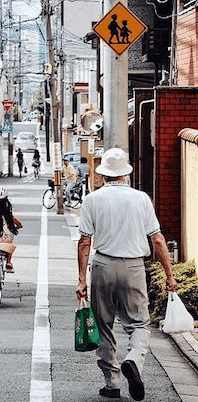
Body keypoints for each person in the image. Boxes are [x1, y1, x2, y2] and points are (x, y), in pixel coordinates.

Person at [76, 148, 177, 401]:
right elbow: (158, 239)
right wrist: (169, 274)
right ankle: (133, 359)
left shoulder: (92, 199)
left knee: (104, 326)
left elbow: (84, 242)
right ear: (125, 173)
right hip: (133, 267)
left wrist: (80, 280)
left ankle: (112, 383)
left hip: (103, 266)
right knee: (139, 323)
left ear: (103, 175)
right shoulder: (141, 199)